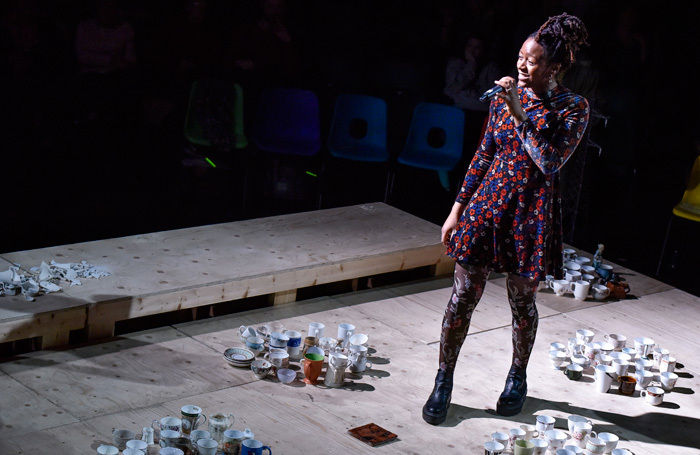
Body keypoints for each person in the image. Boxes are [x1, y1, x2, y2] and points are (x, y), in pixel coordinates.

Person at [422, 13, 590, 424]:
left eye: (531, 61)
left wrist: (519, 112)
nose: (520, 65)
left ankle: (517, 376)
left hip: (531, 216)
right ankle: (443, 379)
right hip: (488, 206)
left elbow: (549, 162)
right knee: (462, 296)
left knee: (521, 302)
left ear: (554, 67)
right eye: (519, 56)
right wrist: (456, 209)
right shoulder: (501, 98)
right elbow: (483, 155)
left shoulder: (574, 108)